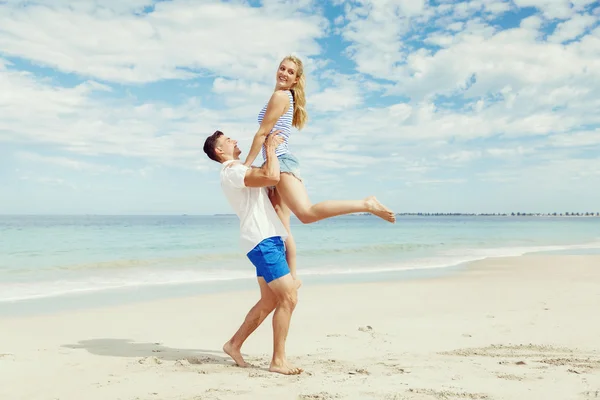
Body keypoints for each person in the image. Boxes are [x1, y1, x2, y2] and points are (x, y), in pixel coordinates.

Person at [243, 55, 396, 285]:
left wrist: (245, 167)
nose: (284, 73)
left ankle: (366, 204)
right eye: (282, 68)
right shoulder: (281, 96)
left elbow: (262, 134)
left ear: (296, 80)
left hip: (281, 162)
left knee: (306, 213)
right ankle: (293, 277)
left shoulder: (280, 96)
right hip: (275, 164)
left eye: (290, 72)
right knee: (283, 227)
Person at [203, 129, 303, 375]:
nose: (234, 140)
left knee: (270, 300)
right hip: (262, 241)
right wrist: (270, 146)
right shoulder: (232, 171)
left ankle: (233, 344)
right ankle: (278, 360)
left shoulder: (239, 170)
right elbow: (271, 177)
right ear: (219, 151)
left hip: (267, 238)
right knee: (289, 298)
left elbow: (265, 180)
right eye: (228, 140)